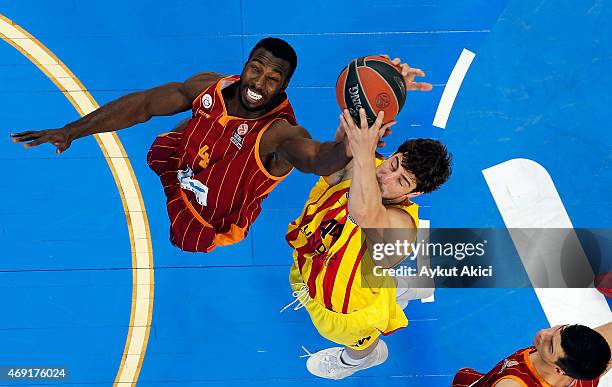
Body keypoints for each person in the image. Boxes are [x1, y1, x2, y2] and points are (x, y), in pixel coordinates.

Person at [10, 38, 432, 253]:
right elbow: (141, 105)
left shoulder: (280, 134)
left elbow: (319, 160)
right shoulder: (208, 87)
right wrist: (71, 130)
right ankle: (185, 170)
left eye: (272, 79)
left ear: (284, 87)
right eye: (255, 69)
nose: (258, 84)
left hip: (210, 214)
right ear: (245, 65)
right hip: (185, 164)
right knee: (159, 150)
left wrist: (361, 131)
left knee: (187, 240)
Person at [283, 108, 452, 379]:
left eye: (402, 181)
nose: (385, 177)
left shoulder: (402, 227)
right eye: (393, 163)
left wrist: (362, 153)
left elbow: (365, 213)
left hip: (348, 309)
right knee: (378, 277)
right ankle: (405, 287)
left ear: (415, 193)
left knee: (362, 340)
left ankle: (355, 361)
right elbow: (331, 164)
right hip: (313, 260)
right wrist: (353, 134)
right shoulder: (367, 165)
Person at [452, 323, 612, 386]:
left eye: (550, 346)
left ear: (558, 370)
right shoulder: (593, 359)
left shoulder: (511, 384)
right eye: (559, 329)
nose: (543, 334)